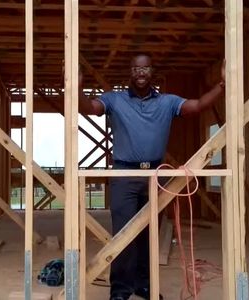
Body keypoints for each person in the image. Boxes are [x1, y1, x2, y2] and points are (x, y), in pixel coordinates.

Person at [78, 54, 225, 300]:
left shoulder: (167, 102)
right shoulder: (114, 99)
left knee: (150, 234)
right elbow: (89, 108)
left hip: (155, 175)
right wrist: (76, 87)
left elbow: (198, 106)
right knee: (123, 234)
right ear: (130, 71)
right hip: (125, 174)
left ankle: (144, 285)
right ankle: (121, 289)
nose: (141, 73)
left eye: (145, 68)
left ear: (152, 71)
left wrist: (222, 85)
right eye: (136, 68)